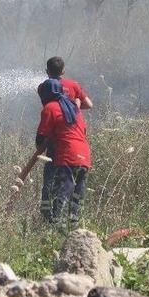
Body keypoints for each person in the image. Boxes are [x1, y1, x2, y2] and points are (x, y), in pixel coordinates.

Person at [36, 57, 93, 221]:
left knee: (56, 188)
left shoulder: (50, 107)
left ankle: (51, 221)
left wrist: (42, 144)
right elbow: (88, 105)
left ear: (47, 72)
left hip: (63, 151)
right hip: (84, 154)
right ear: (63, 71)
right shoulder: (75, 111)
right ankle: (73, 223)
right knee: (77, 193)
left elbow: (41, 139)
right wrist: (75, 104)